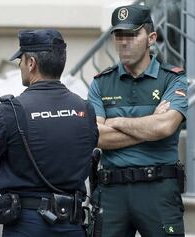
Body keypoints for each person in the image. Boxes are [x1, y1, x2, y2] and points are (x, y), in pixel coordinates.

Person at [0, 29, 99, 237]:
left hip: (27, 224)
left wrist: (18, 168)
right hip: (72, 224)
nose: (20, 66)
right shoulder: (85, 110)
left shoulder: (10, 111)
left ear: (31, 63)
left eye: (21, 61)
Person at [88, 4, 187, 237]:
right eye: (119, 35)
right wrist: (149, 122)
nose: (124, 42)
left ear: (151, 38)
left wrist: (116, 122)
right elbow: (96, 135)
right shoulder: (101, 82)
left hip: (158, 190)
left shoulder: (172, 79)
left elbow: (165, 126)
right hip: (111, 192)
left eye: (132, 34)